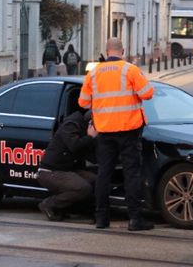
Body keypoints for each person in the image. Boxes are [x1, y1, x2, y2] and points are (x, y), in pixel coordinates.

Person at [78, 37, 155, 231]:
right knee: (131, 174)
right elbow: (147, 93)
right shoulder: (130, 69)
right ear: (123, 51)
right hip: (128, 130)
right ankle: (135, 219)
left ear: (106, 50)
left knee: (104, 173)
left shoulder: (94, 73)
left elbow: (83, 103)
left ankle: (102, 219)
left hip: (104, 131)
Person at [37, 110, 98, 221]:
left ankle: (77, 209)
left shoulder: (84, 128)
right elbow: (74, 146)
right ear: (91, 123)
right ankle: (50, 204)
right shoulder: (71, 125)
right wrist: (90, 137)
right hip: (51, 171)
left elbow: (91, 156)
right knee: (82, 188)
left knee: (96, 180)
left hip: (68, 170)